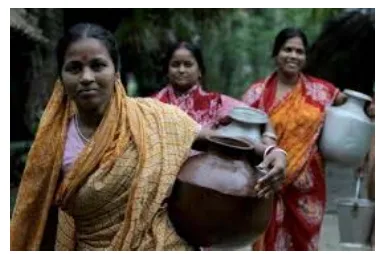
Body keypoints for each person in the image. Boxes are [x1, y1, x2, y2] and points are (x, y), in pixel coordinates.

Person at [10, 23, 285, 251]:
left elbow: (216, 140)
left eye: (97, 65)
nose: (86, 77)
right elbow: (42, 217)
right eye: (74, 68)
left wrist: (272, 153)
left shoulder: (152, 117)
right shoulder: (52, 144)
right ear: (61, 77)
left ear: (115, 72)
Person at [242, 27, 347, 251]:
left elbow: (351, 107)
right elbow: (242, 131)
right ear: (276, 53)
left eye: (299, 51)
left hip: (307, 187)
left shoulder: (321, 91)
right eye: (287, 49)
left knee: (304, 244)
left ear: (305, 57)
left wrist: (369, 109)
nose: (293, 55)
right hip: (267, 183)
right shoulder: (256, 93)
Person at [153, 41, 286, 200]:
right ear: (167, 70)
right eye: (175, 65)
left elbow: (260, 117)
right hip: (159, 187)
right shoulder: (152, 106)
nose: (181, 70)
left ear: (200, 71)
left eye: (188, 65)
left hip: (200, 186)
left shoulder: (216, 103)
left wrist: (270, 145)